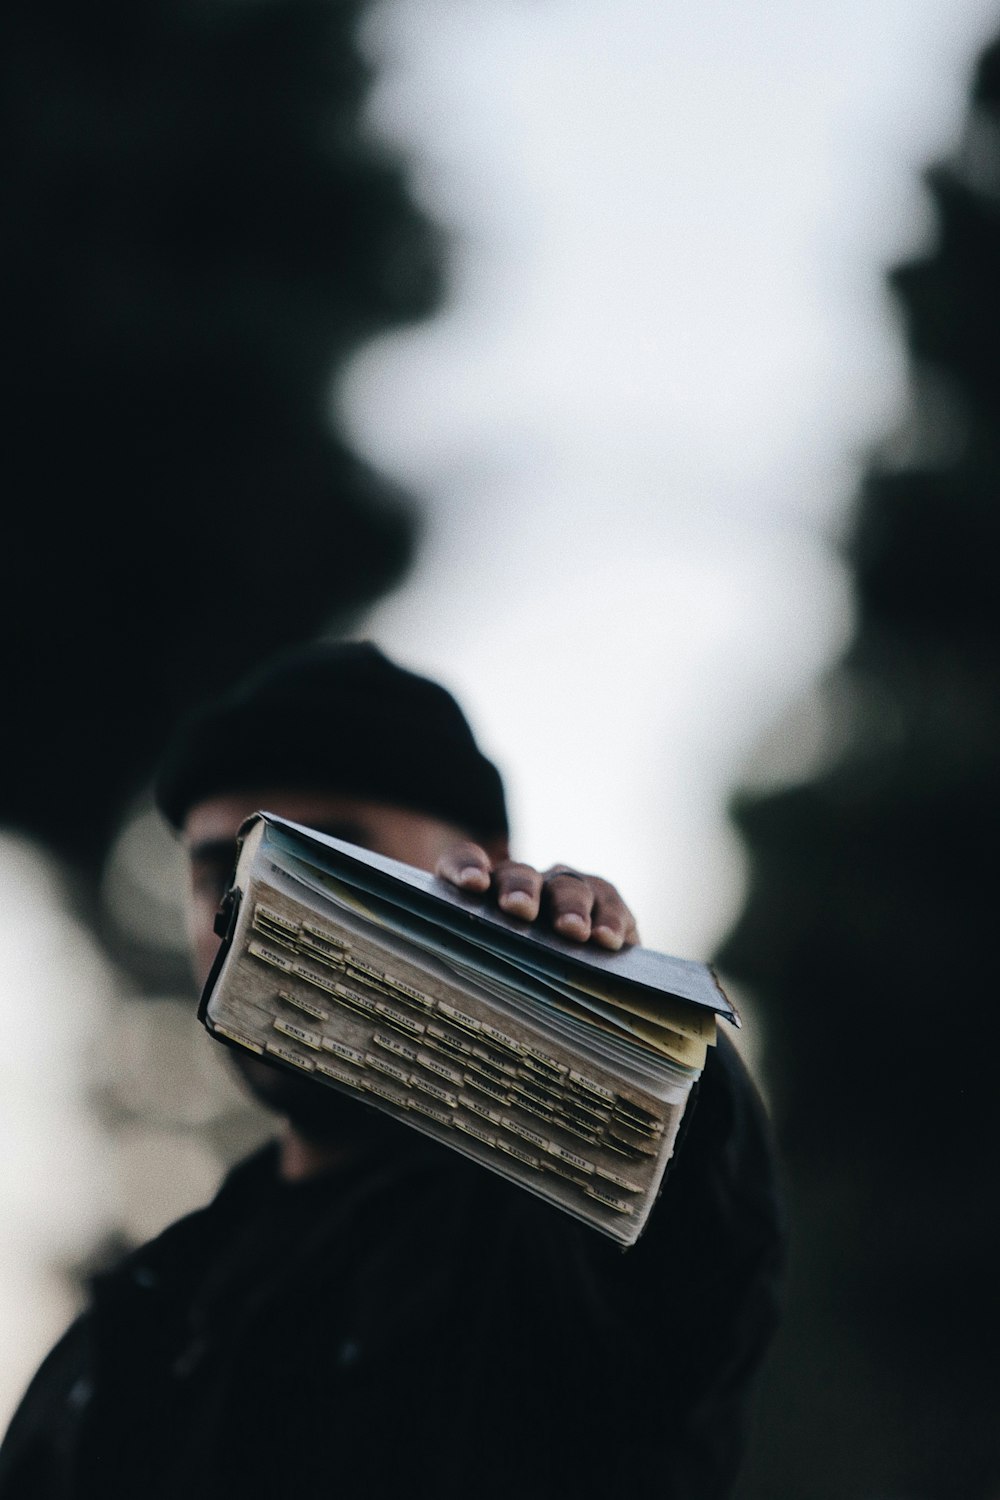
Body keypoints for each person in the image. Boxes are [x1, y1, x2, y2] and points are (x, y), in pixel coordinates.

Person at [0, 642, 785, 1500]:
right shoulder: (142, 1313)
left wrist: (615, 1022)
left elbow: (699, 1209)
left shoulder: (563, 1259)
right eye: (218, 871)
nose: (248, 909)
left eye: (326, 861)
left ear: (481, 869)